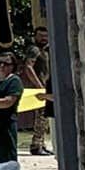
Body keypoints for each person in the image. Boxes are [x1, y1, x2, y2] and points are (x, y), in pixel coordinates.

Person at [29, 26, 54, 156]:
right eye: (41, 36)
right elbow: (28, 66)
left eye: (45, 36)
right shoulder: (34, 50)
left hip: (46, 87)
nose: (43, 38)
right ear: (35, 36)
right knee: (41, 116)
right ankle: (36, 145)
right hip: (39, 89)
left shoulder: (45, 50)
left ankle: (41, 144)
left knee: (44, 117)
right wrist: (39, 85)